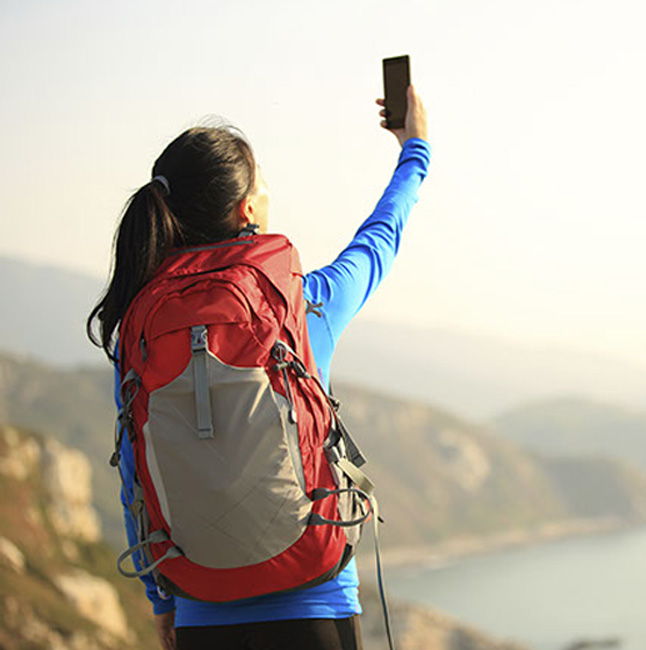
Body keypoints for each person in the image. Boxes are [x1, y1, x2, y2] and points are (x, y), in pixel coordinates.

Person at [87, 87, 430, 650]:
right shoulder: (302, 305)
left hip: (201, 611)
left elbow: (133, 473)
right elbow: (380, 237)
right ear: (248, 208)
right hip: (316, 603)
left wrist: (161, 603)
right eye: (262, 179)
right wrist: (414, 147)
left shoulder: (140, 328)